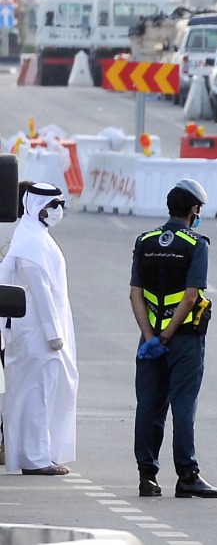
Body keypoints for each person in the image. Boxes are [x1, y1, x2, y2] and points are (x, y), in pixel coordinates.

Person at [129, 179, 217, 499]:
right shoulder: (195, 244)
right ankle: (187, 475)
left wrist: (150, 338)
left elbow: (135, 293)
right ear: (194, 209)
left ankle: (147, 477)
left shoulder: (145, 240)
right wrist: (168, 336)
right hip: (183, 339)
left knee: (148, 406)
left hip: (149, 342)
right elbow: (189, 298)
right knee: (183, 406)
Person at [0, 182, 77, 476]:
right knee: (35, 394)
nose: (57, 211)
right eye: (52, 206)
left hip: (41, 333)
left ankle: (40, 453)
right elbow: (40, 289)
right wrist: (53, 334)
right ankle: (34, 459)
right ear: (37, 207)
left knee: (42, 391)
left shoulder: (37, 236)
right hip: (36, 333)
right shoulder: (30, 241)